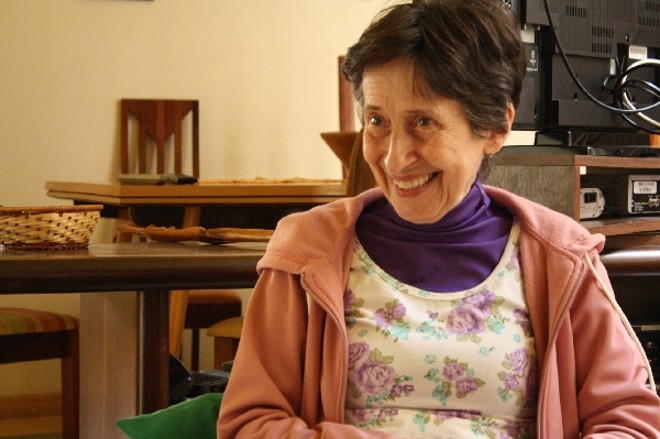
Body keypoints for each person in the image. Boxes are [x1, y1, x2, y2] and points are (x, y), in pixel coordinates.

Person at [217, 0, 660, 437]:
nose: (394, 158)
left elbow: (629, 420)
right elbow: (249, 424)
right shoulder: (307, 251)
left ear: (495, 128)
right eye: (377, 121)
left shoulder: (561, 257)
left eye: (424, 122)